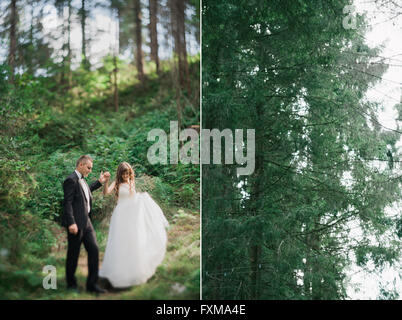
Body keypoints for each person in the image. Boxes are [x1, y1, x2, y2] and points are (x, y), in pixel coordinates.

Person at [99, 162, 169, 288]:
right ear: (120, 174)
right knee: (120, 242)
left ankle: (133, 270)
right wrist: (106, 181)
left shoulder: (132, 183)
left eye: (128, 173)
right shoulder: (117, 183)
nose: (126, 175)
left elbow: (133, 199)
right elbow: (106, 193)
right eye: (124, 173)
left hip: (130, 215)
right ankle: (118, 270)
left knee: (132, 241)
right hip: (120, 215)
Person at [62, 155, 110, 294]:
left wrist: (99, 182)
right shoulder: (70, 180)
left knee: (94, 250)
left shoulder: (82, 180)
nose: (90, 170)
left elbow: (85, 192)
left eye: (91, 168)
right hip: (76, 224)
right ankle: (71, 286)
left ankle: (92, 285)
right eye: (89, 168)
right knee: (73, 255)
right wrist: (71, 223)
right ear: (81, 165)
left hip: (87, 223)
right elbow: (68, 203)